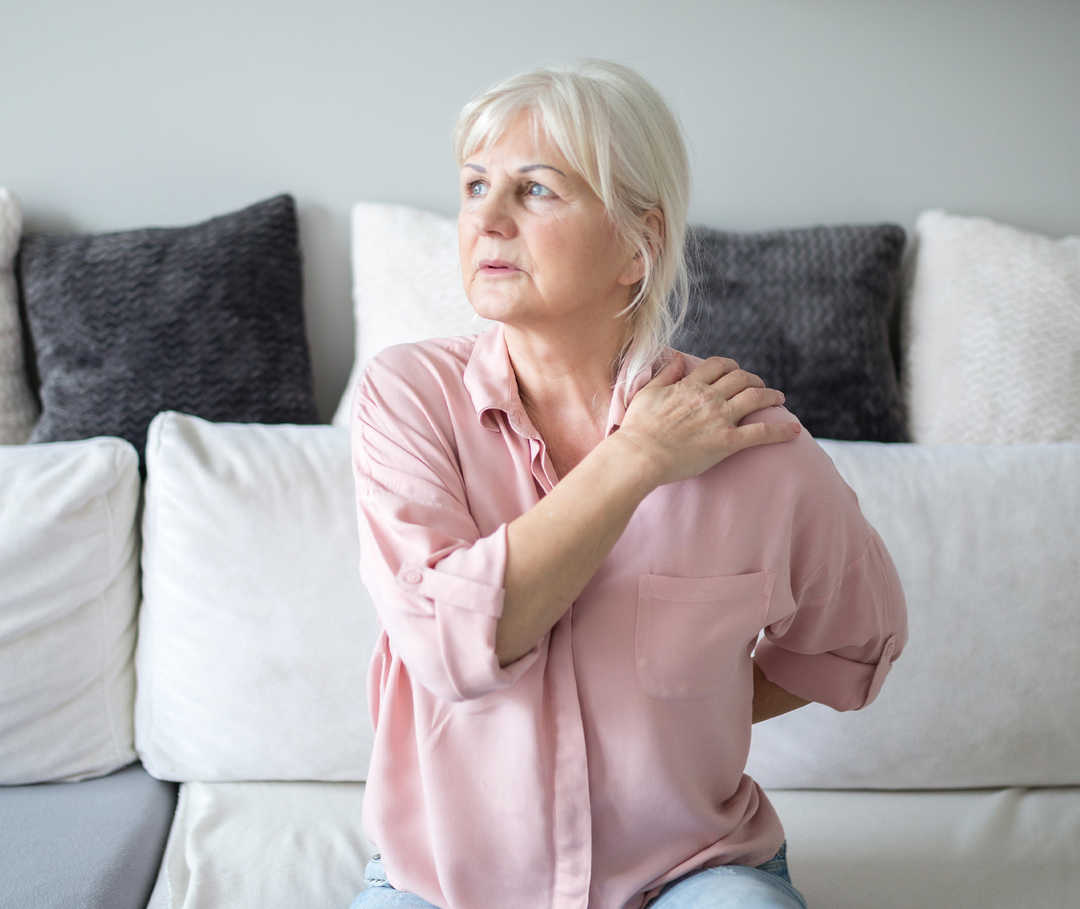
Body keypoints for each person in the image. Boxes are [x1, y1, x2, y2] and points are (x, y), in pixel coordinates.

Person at [348, 59, 908, 909]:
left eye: (536, 190)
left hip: (689, 873)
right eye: (474, 185)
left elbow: (858, 639)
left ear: (637, 245)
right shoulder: (406, 397)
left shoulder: (749, 443)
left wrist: (687, 709)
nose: (487, 218)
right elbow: (450, 645)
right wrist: (636, 459)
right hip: (443, 886)